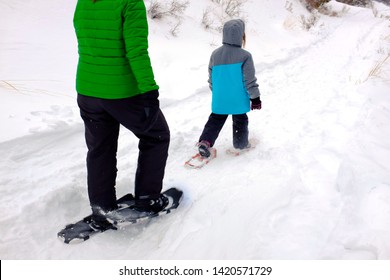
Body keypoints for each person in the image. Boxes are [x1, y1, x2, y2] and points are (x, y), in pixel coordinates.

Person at [73, 0, 170, 227]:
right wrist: (149, 91)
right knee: (156, 135)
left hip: (88, 89)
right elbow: (136, 50)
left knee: (100, 148)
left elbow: (86, 37)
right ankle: (148, 199)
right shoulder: (130, 2)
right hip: (121, 92)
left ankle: (102, 207)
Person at [197, 19, 262, 158]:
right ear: (241, 36)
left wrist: (217, 92)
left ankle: (205, 142)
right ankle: (241, 143)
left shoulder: (215, 54)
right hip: (238, 99)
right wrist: (255, 98)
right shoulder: (245, 56)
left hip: (220, 98)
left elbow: (211, 78)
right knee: (240, 119)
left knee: (215, 120)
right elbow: (249, 79)